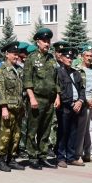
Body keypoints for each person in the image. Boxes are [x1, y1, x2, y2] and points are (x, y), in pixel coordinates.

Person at [22, 28, 59, 169]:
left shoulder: (51, 59)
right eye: (44, 41)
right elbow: (27, 81)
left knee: (45, 129)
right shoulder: (31, 58)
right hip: (36, 99)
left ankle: (42, 156)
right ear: (38, 42)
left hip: (49, 100)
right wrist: (32, 98)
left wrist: (57, 96)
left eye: (48, 41)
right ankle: (32, 157)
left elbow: (56, 80)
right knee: (33, 129)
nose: (47, 43)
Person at [0, 42, 26, 171]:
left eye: (17, 54)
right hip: (8, 108)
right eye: (14, 54)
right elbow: (0, 90)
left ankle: (12, 158)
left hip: (18, 107)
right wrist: (3, 108)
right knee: (5, 134)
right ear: (7, 54)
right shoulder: (2, 70)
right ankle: (1, 159)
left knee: (16, 135)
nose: (16, 56)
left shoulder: (19, 70)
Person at [55, 47, 84, 168]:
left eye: (71, 57)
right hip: (66, 107)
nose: (69, 59)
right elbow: (60, 91)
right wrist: (72, 104)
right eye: (67, 57)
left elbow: (81, 88)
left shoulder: (75, 72)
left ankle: (71, 157)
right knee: (63, 132)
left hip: (77, 107)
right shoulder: (59, 72)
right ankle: (60, 158)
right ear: (61, 58)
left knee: (73, 133)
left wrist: (81, 101)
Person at [73, 44, 92, 164]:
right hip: (82, 102)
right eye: (87, 55)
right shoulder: (76, 69)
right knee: (81, 130)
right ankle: (78, 154)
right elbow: (75, 87)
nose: (89, 58)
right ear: (82, 56)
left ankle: (89, 154)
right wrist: (83, 100)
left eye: (91, 56)